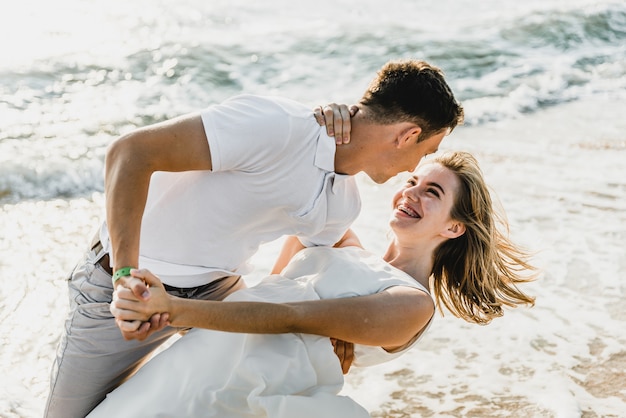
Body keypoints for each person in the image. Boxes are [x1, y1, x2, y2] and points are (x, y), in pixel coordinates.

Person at [45, 59, 464, 418]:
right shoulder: (277, 126)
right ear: (408, 134)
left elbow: (327, 267)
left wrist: (334, 335)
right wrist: (125, 277)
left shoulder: (343, 204)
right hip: (120, 286)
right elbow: (130, 152)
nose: (417, 163)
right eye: (425, 151)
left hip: (216, 292)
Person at [87, 151, 537, 417]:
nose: (409, 194)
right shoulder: (343, 240)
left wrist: (176, 309)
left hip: (238, 389)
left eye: (432, 193)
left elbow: (289, 318)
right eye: (412, 181)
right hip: (203, 354)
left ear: (455, 228)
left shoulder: (412, 305)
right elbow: (275, 285)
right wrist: (335, 119)